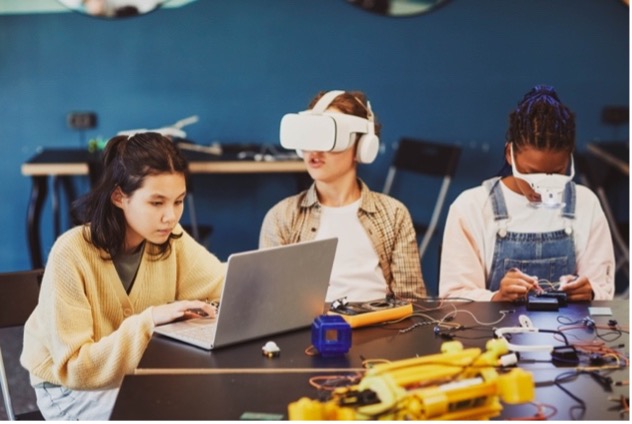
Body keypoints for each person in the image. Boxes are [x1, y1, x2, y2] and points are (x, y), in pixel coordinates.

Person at [20, 132, 225, 420]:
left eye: (178, 201)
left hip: (134, 375)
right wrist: (151, 320)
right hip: (69, 389)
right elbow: (76, 368)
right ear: (119, 196)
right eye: (157, 203)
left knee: (209, 399)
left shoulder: (170, 238)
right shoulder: (71, 252)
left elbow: (225, 284)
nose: (171, 216)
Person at [439, 85, 615, 302]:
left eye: (556, 173)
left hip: (569, 333)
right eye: (532, 175)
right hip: (493, 335)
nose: (541, 190)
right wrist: (496, 298)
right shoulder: (471, 207)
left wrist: (590, 292)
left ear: (568, 160)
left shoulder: (585, 204)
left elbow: (603, 292)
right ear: (509, 155)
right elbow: (454, 300)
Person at [260, 90, 426, 303]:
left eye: (328, 137)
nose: (314, 150)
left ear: (362, 146)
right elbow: (273, 304)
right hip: (311, 333)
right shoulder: (281, 217)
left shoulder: (393, 215)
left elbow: (412, 303)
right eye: (309, 136)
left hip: (383, 330)